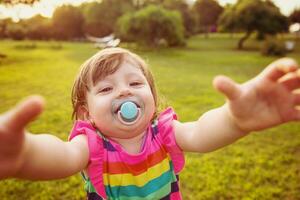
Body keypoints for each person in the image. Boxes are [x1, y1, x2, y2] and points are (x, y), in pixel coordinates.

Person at [0, 47, 299, 200]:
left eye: (135, 82)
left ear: (153, 98)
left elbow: (201, 133)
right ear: (85, 114)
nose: (124, 91)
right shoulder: (90, 145)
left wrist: (235, 120)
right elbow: (61, 157)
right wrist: (26, 155)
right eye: (106, 89)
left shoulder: (164, 132)